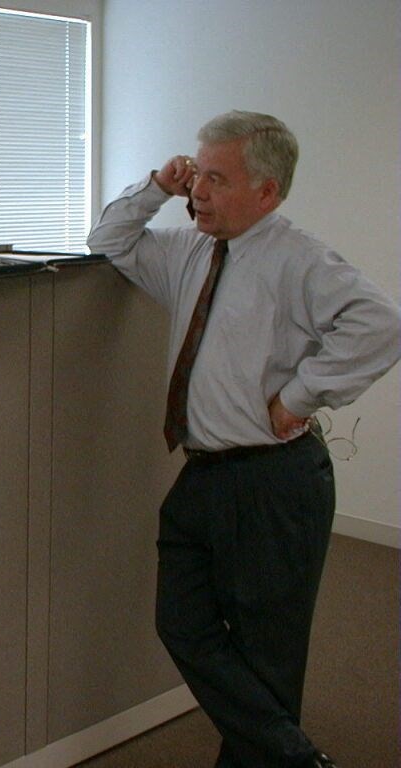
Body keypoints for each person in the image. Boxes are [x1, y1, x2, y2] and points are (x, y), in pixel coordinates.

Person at [86, 110, 401, 768]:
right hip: (203, 473)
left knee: (268, 651)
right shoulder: (189, 250)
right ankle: (294, 758)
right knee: (182, 623)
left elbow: (379, 323)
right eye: (198, 172)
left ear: (268, 191)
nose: (199, 189)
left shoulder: (300, 258)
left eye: (217, 178)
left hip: (275, 480)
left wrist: (301, 394)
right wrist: (155, 185)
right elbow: (107, 240)